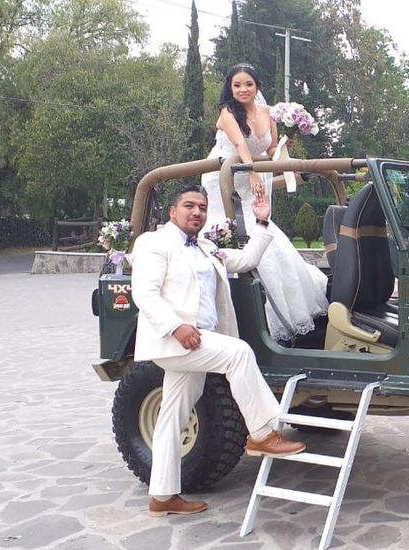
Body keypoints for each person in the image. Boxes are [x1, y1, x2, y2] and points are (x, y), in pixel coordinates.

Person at [130, 184, 306, 517]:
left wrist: (263, 222)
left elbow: (248, 258)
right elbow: (145, 294)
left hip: (199, 339)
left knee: (171, 418)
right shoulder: (154, 243)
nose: (196, 212)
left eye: (201, 207)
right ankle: (262, 432)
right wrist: (176, 327)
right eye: (188, 206)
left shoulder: (208, 248)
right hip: (175, 340)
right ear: (173, 211)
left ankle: (163, 496)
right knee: (239, 353)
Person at [201, 63, 328, 342]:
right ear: (230, 88)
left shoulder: (267, 112)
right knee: (233, 231)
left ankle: (281, 317)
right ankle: (239, 311)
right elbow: (241, 146)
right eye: (237, 85)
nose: (243, 90)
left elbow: (269, 149)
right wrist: (254, 172)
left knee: (267, 236)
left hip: (250, 175)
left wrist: (284, 144)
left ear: (257, 86)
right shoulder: (227, 114)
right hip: (228, 177)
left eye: (248, 84)